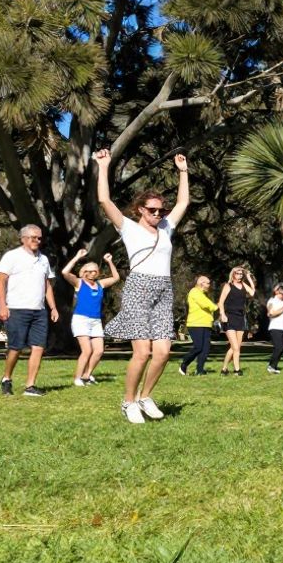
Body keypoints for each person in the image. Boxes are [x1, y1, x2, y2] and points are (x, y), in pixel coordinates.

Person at [94, 149, 191, 423]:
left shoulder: (166, 228)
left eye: (161, 210)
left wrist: (183, 172)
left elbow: (183, 203)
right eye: (152, 210)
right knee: (143, 351)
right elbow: (104, 199)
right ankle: (128, 402)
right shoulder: (128, 228)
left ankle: (145, 397)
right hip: (139, 288)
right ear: (140, 210)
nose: (157, 214)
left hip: (164, 289)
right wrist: (104, 165)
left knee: (162, 352)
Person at [0, 225, 58, 397]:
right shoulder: (12, 256)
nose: (37, 240)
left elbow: (47, 286)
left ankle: (30, 386)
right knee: (16, 348)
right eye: (33, 237)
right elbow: (0, 282)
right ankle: (6, 378)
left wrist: (53, 307)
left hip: (39, 311)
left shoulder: (43, 259)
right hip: (16, 309)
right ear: (23, 238)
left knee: (38, 347)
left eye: (39, 238)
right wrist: (2, 306)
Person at [60, 248, 120, 386]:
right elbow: (64, 272)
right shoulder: (79, 282)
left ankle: (87, 375)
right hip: (81, 319)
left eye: (95, 271)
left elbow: (116, 278)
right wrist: (76, 257)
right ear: (84, 272)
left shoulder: (100, 284)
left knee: (99, 351)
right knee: (87, 350)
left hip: (96, 320)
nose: (92, 273)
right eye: (89, 271)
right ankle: (77, 378)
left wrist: (110, 262)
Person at [216, 267, 255, 375]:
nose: (239, 276)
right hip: (230, 318)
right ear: (233, 275)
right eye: (237, 274)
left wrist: (249, 278)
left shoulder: (243, 285)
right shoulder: (228, 286)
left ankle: (224, 368)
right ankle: (237, 370)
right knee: (235, 347)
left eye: (241, 274)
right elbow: (221, 302)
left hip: (240, 318)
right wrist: (222, 314)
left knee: (235, 347)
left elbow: (252, 293)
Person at [178, 275, 217, 375]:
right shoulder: (194, 292)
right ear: (201, 283)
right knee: (198, 347)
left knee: (205, 348)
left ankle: (200, 370)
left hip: (206, 324)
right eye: (207, 283)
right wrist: (215, 306)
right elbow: (206, 304)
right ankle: (184, 363)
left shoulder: (203, 294)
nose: (209, 285)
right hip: (196, 324)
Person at [265, 284, 283, 374]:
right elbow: (271, 313)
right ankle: (271, 366)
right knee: (278, 347)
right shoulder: (271, 301)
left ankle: (273, 365)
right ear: (277, 292)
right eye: (282, 294)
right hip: (275, 327)